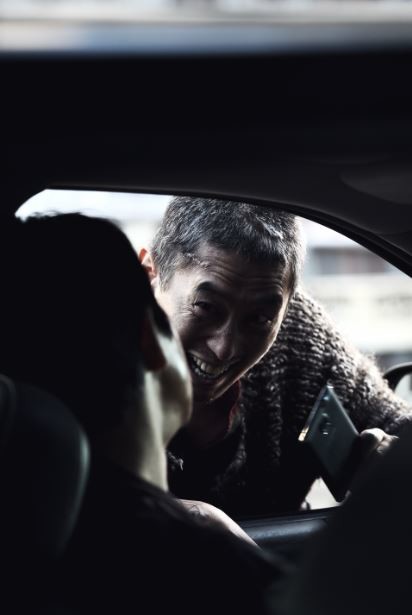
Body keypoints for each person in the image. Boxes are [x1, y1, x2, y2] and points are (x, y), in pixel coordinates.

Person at [0, 213, 289, 614]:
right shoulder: (215, 575)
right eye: (206, 307)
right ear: (149, 339)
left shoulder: (24, 541)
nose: (223, 350)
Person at [139, 196, 412, 517]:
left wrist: (392, 459)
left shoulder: (300, 336)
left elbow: (392, 422)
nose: (225, 349)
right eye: (206, 307)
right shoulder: (98, 349)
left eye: (259, 320)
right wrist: (190, 516)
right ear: (149, 273)